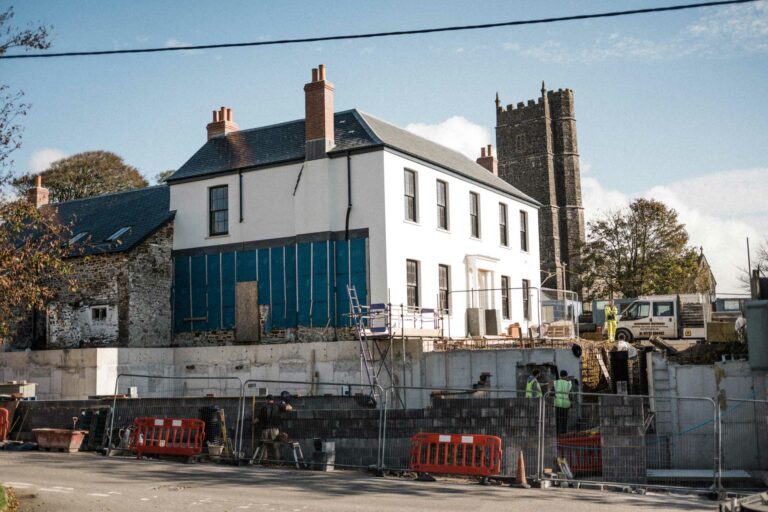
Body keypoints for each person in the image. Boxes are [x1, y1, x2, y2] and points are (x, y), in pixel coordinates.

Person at [254, 394, 292, 462]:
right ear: (273, 400)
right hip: (275, 430)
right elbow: (290, 408)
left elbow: (258, 418)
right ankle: (278, 462)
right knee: (276, 447)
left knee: (264, 447)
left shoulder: (264, 407)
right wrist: (286, 403)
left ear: (266, 400)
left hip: (265, 430)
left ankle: (264, 462)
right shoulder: (278, 406)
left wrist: (252, 422)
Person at [554, 370, 572, 435]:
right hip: (566, 404)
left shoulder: (555, 382)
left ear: (560, 375)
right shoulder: (569, 383)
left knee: (558, 419)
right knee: (564, 420)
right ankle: (564, 434)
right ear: (566, 375)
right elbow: (571, 393)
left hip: (558, 403)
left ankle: (557, 433)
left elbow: (552, 391)